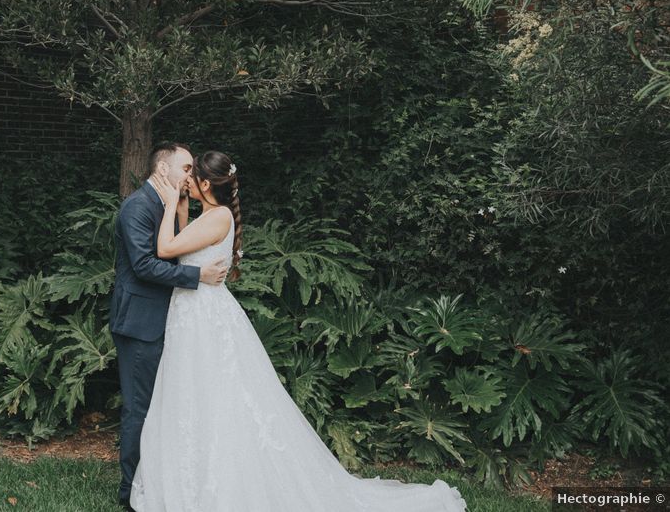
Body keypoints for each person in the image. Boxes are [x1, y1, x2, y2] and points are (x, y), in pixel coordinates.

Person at [127, 150, 468, 511]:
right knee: (193, 395)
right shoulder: (209, 215)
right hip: (192, 318)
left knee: (216, 398)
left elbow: (165, 248)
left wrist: (166, 204)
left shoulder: (218, 218)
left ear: (206, 184)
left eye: (191, 175)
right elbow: (181, 247)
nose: (185, 180)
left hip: (203, 320)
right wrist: (179, 209)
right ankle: (191, 480)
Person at [110, 141, 231, 511]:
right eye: (186, 168)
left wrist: (178, 211)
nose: (191, 176)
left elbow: (177, 246)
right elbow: (146, 266)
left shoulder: (167, 206)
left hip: (173, 323)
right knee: (140, 409)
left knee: (168, 406)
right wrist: (199, 275)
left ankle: (162, 480)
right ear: (163, 170)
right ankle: (131, 491)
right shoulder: (137, 208)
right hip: (140, 323)